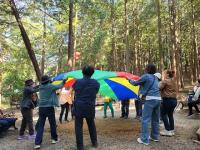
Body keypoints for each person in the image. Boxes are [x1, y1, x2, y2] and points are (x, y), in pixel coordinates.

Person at [129, 64, 161, 145]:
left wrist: (129, 80)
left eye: (146, 67)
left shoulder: (146, 76)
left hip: (150, 99)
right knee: (156, 119)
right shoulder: (155, 78)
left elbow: (135, 83)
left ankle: (144, 139)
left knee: (145, 120)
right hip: (158, 99)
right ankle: (155, 136)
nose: (145, 68)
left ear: (147, 69)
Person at [34, 75, 66, 149]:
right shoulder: (51, 86)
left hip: (41, 108)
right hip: (49, 107)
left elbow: (35, 88)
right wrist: (64, 81)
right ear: (48, 80)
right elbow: (60, 85)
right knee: (52, 124)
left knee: (41, 126)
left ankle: (37, 143)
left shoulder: (40, 87)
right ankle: (54, 139)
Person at [72, 65, 100, 150]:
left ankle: (80, 147)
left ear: (82, 72)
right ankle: (94, 143)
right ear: (92, 73)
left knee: (78, 127)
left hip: (79, 107)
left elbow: (74, 89)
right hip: (90, 106)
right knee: (91, 124)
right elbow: (96, 91)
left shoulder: (77, 82)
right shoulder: (96, 83)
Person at [159, 70, 177, 136]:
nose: (163, 75)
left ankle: (167, 130)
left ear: (167, 74)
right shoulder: (173, 80)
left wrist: (160, 82)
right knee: (170, 115)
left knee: (163, 114)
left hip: (167, 100)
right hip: (174, 100)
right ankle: (172, 130)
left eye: (164, 74)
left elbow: (159, 88)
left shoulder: (165, 81)